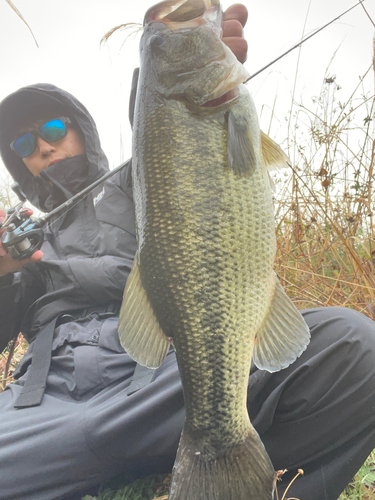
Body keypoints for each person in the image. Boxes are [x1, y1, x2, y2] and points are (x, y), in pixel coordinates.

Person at [0, 5, 374, 500]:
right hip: (44, 403)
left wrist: (182, 55)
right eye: (25, 142)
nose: (42, 148)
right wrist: (4, 272)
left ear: (80, 131)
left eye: (51, 130)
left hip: (163, 380)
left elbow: (168, 135)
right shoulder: (20, 237)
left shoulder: (139, 180)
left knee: (354, 348)